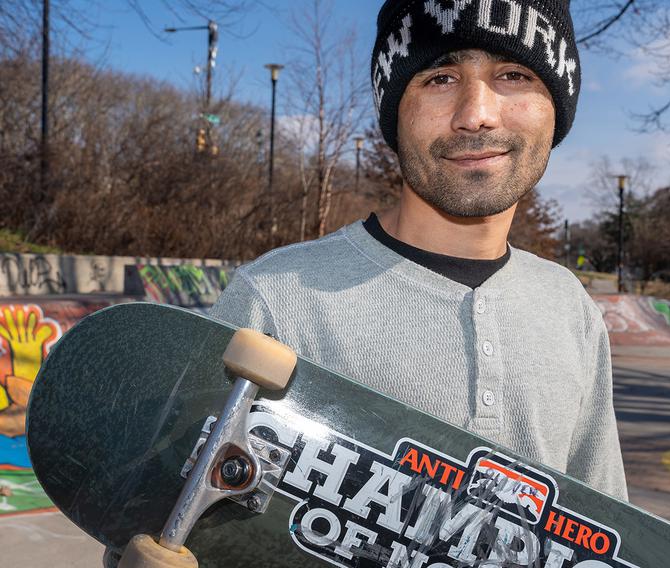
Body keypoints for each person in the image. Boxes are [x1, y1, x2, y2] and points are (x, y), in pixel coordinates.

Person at [211, 0, 627, 500]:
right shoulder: (276, 300)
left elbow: (607, 529)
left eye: (514, 75)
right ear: (395, 112)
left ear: (556, 109)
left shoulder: (570, 310)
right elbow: (168, 508)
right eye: (440, 79)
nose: (476, 116)